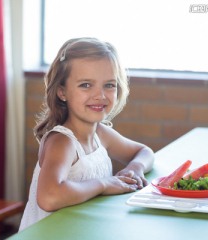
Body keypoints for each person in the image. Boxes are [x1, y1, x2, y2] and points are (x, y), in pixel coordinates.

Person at [19, 37, 155, 231]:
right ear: (62, 92)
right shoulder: (62, 141)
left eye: (109, 85)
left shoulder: (101, 133)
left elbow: (144, 151)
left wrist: (135, 168)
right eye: (85, 85)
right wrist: (103, 184)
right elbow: (49, 197)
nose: (100, 95)